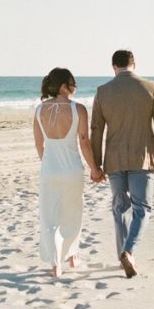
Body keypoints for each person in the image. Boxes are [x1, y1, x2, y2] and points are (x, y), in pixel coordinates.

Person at [91, 49, 154, 278]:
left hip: (114, 159)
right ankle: (128, 251)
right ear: (134, 64)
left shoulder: (102, 91)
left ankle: (123, 255)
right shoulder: (150, 87)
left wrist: (96, 165)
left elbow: (96, 130)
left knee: (120, 208)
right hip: (142, 157)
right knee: (142, 208)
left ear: (113, 67)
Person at [33, 67, 99, 277]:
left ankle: (56, 264)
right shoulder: (78, 109)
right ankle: (72, 256)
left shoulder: (38, 110)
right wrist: (95, 169)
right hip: (72, 170)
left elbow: (39, 145)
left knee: (49, 217)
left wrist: (48, 163)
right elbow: (84, 142)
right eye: (73, 83)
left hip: (49, 170)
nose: (75, 87)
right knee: (72, 214)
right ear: (63, 86)